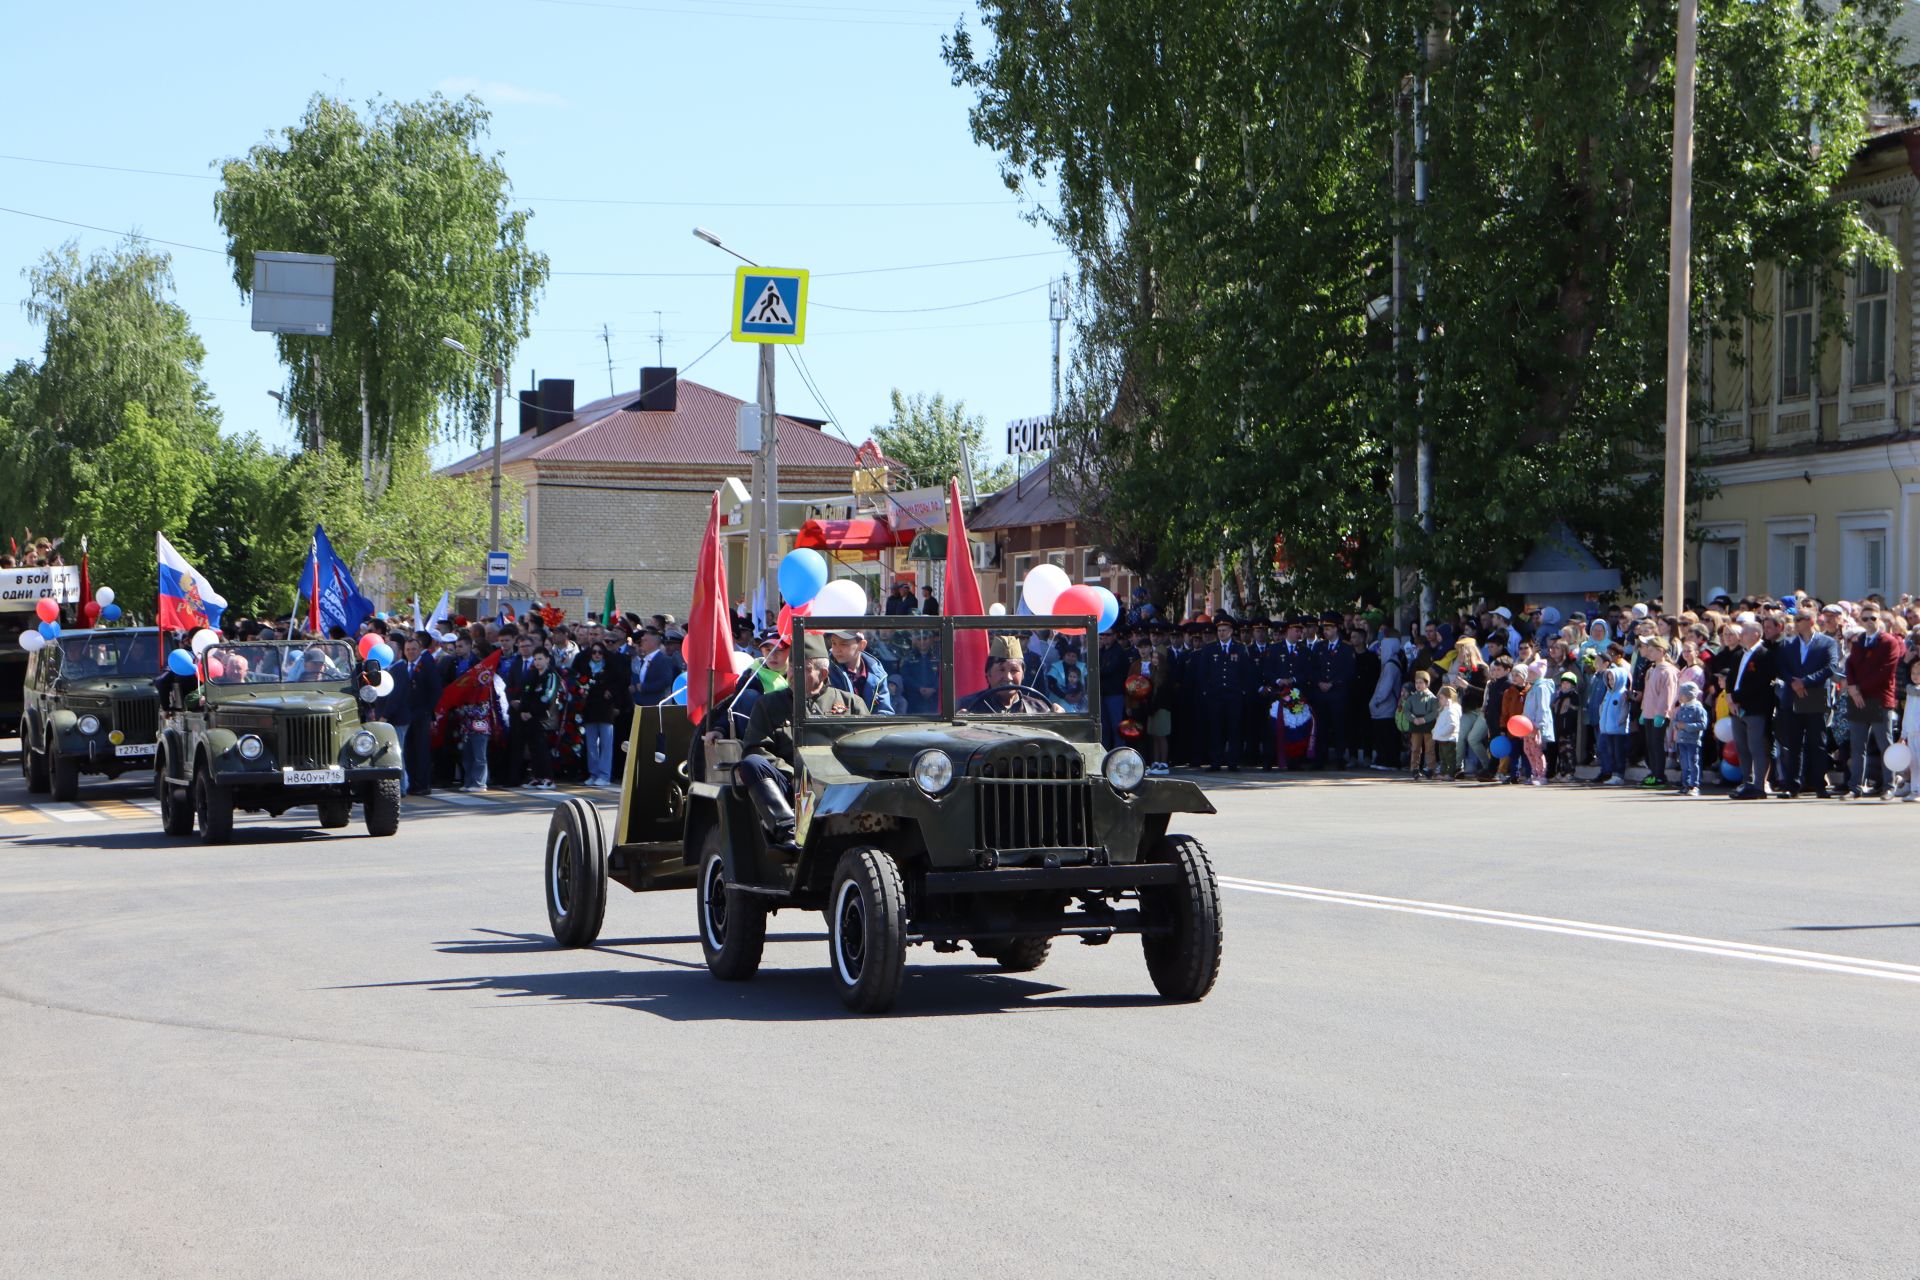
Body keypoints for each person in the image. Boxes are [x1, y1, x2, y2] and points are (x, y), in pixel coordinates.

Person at [737, 633, 868, 849]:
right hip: (790, 786)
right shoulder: (769, 705)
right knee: (752, 764)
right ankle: (788, 829)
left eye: (802, 669)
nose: (791, 674)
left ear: (823, 673)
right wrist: (793, 773)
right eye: (791, 668)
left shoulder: (850, 703)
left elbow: (867, 748)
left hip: (842, 786)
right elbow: (756, 748)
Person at [1841, 604, 1905, 799]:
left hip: (1879, 699)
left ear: (1880, 621)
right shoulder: (1859, 641)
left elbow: (1885, 672)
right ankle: (1855, 787)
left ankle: (1889, 786)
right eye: (1865, 618)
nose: (1869, 622)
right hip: (1858, 699)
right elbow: (1850, 665)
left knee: (1884, 744)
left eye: (1873, 618)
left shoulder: (1889, 642)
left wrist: (1859, 688)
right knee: (1857, 745)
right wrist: (1852, 687)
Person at [1775, 609, 1839, 797]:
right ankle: (1791, 785)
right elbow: (1781, 667)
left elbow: (1831, 666)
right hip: (1793, 695)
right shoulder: (1787, 644)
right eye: (1794, 619)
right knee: (1793, 743)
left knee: (1817, 742)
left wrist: (1806, 681)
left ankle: (1819, 784)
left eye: (1799, 619)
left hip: (1815, 695)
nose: (1795, 623)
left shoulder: (1827, 642)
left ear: (1811, 621)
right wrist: (1794, 682)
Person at [1728, 619, 1778, 798]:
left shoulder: (1765, 655)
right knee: (1742, 747)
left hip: (1755, 707)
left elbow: (1760, 683)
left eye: (1745, 633)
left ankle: (1759, 785)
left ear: (1756, 634)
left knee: (1757, 747)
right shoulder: (1738, 655)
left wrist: (1736, 696)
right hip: (1736, 708)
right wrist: (1729, 696)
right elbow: (1731, 678)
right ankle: (1746, 782)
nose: (1740, 636)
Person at [1197, 616, 1252, 770]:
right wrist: (1207, 692)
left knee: (1234, 730)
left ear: (1231, 631)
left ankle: (1233, 761)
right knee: (1216, 730)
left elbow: (1247, 672)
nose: (1221, 633)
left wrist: (1242, 691)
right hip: (1215, 697)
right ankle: (1216, 761)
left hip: (1234, 697)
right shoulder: (1209, 648)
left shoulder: (1240, 648)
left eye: (1224, 630)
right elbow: (1203, 673)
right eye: (1219, 630)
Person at [959, 636, 1058, 714]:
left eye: (1014, 670)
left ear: (1023, 674)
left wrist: (1058, 720)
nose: (1008, 677)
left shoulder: (1040, 709)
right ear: (988, 674)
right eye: (1001, 670)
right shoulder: (967, 707)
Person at [402, 634, 442, 797]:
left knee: (421, 750)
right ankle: (413, 783)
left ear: (420, 650)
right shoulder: (404, 666)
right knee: (409, 750)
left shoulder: (427, 665)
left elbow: (436, 689)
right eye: (408, 649)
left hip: (421, 714)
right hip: (406, 715)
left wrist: (428, 710)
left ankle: (423, 784)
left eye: (414, 649)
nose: (411, 652)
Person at [827, 629, 894, 715]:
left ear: (861, 645)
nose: (836, 650)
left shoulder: (877, 673)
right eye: (834, 643)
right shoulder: (825, 671)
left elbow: (884, 712)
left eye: (843, 644)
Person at [1672, 681, 1709, 796]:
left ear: (1689, 695)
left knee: (1693, 763)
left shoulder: (1698, 709)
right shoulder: (1681, 709)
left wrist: (1687, 726)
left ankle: (1694, 785)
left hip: (1692, 741)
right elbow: (1675, 720)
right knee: (1684, 763)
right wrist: (1676, 725)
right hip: (1681, 740)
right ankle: (1685, 784)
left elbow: (1702, 725)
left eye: (1681, 694)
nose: (1679, 697)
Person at [1403, 669, 1438, 778]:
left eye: (1421, 682)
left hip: (1428, 725)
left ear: (1427, 683)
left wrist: (1424, 719)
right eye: (1416, 682)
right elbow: (1407, 710)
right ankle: (1414, 768)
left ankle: (1431, 768)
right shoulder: (1412, 698)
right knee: (1415, 748)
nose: (1418, 685)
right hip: (1415, 725)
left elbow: (1435, 712)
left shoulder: (1432, 698)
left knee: (1429, 748)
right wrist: (1413, 719)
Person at [1432, 684, 1461, 780]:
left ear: (1448, 698)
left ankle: (1450, 774)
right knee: (1443, 759)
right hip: (1442, 739)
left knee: (1450, 759)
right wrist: (1435, 731)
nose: (1439, 700)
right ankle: (1443, 773)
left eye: (1441, 698)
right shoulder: (1444, 710)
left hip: (1449, 739)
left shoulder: (1451, 710)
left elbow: (1452, 725)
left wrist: (1441, 733)